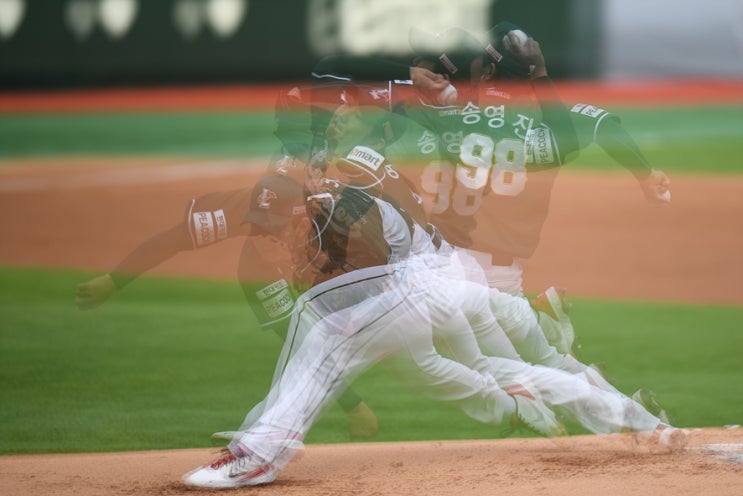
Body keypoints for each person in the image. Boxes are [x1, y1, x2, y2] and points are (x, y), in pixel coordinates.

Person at [182, 102, 688, 489]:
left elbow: (381, 282)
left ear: (302, 208)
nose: (267, 233)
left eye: (273, 223)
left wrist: (346, 314)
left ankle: (259, 454)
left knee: (323, 337)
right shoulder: (321, 212)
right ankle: (639, 421)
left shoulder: (348, 218)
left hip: (423, 286)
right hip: (449, 281)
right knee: (504, 370)